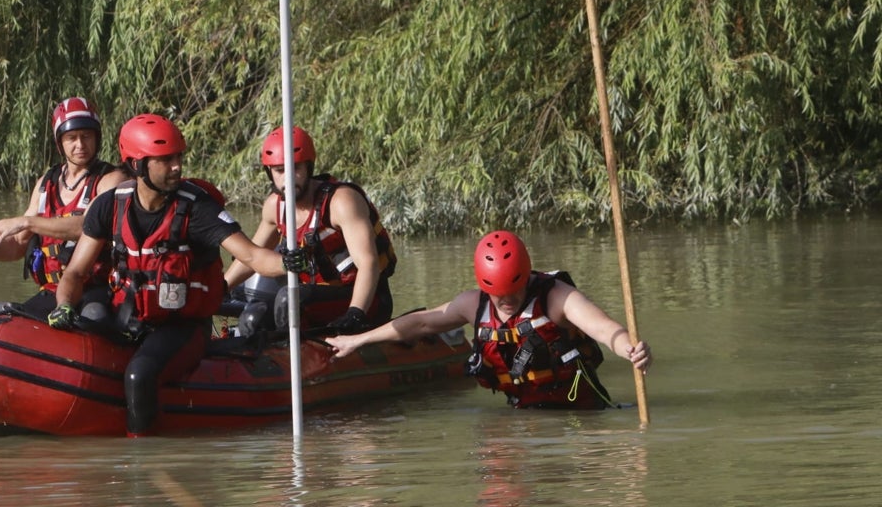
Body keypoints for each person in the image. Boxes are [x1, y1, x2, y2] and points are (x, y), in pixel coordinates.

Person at [46, 113, 308, 436]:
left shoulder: (197, 209)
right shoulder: (110, 205)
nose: (176, 167)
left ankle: (142, 463)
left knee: (139, 375)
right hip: (129, 318)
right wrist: (64, 305)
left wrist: (289, 263)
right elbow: (75, 272)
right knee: (86, 332)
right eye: (165, 159)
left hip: (182, 326)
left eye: (178, 157)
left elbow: (253, 256)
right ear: (138, 165)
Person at [326, 230, 652, 409]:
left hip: (579, 412)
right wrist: (358, 339)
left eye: (514, 290)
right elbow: (422, 323)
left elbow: (605, 328)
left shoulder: (557, 298)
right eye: (498, 295)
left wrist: (630, 349)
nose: (506, 301)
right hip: (520, 411)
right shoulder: (473, 304)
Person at [0, 97, 128, 318]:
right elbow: (18, 245)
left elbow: (86, 227)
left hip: (96, 291)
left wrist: (26, 221)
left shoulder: (111, 180)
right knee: (15, 323)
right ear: (60, 142)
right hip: (52, 291)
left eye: (86, 136)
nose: (80, 145)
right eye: (72, 138)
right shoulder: (45, 184)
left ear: (97, 138)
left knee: (94, 316)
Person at [222, 126, 398, 336]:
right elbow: (249, 257)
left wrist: (355, 312)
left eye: (296, 168)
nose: (288, 178)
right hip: (311, 298)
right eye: (280, 170)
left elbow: (369, 263)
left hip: (366, 301)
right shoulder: (274, 207)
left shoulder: (341, 202)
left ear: (309, 167)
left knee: (289, 299)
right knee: (254, 317)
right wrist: (218, 290)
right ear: (269, 173)